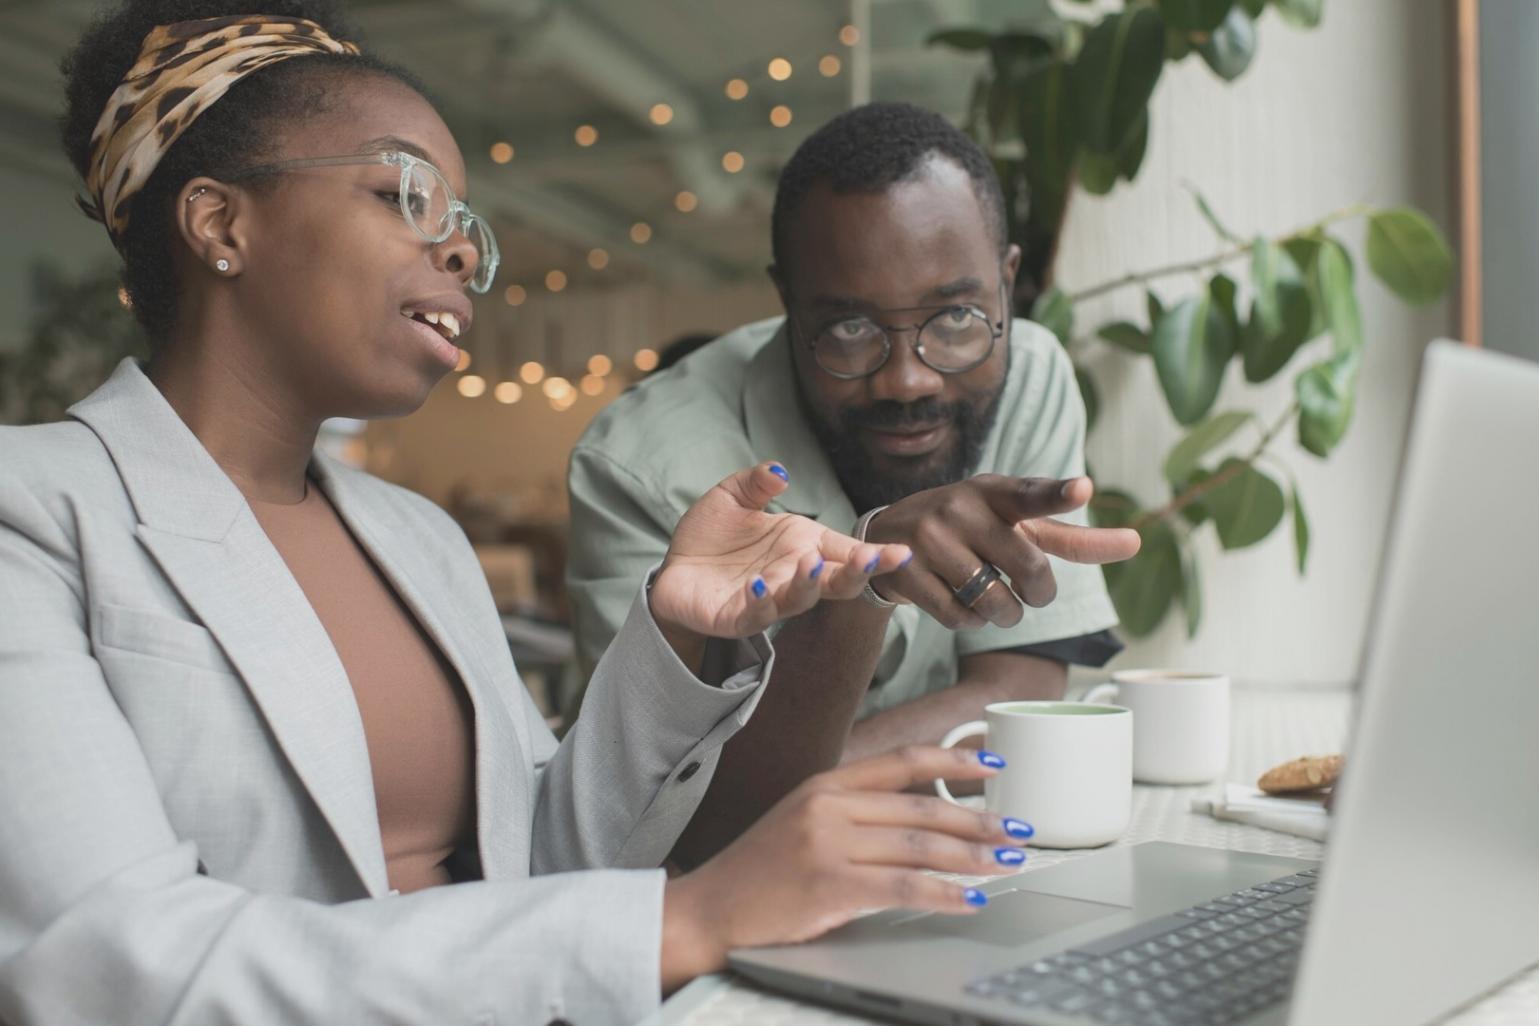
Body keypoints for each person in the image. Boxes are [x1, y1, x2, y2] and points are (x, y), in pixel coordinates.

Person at [0, 5, 1043, 1023]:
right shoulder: (35, 513)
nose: (458, 250)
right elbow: (103, 967)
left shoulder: (417, 538)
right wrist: (685, 920)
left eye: (463, 224)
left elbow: (540, 863)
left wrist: (674, 629)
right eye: (406, 193)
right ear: (221, 222)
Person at [566, 102, 1143, 864]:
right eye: (847, 328)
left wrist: (783, 787)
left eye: (957, 315)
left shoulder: (1028, 373)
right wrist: (869, 576)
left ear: (1007, 283)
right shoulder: (639, 465)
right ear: (786, 303)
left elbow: (1020, 686)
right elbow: (661, 825)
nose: (907, 380)